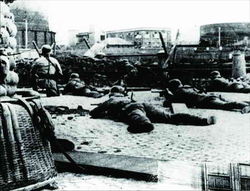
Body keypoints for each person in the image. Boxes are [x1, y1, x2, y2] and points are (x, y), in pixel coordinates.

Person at [90, 86, 217, 134]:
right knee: (170, 117)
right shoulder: (126, 96)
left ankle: (145, 125)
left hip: (130, 108)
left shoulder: (111, 100)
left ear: (112, 93)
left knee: (137, 117)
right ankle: (203, 120)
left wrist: (105, 110)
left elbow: (94, 113)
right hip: (145, 104)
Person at [164, 79, 250, 114]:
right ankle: (246, 103)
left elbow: (167, 103)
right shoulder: (187, 87)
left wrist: (168, 95)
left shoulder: (179, 92)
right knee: (226, 103)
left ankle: (246, 106)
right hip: (208, 96)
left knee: (225, 105)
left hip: (205, 101)